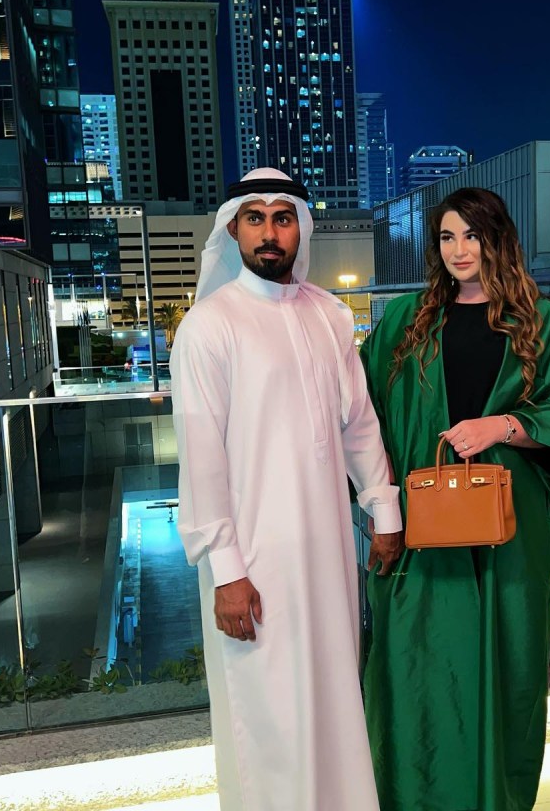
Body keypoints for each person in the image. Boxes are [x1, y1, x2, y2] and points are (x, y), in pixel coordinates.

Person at [360, 187, 550, 811]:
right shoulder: (404, 323)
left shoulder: (543, 325)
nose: (458, 251)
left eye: (472, 236)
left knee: (507, 667)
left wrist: (501, 426)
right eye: (447, 238)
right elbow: (359, 415)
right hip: (423, 528)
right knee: (414, 662)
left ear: (498, 239)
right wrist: (380, 509)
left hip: (511, 527)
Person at [171, 167, 404, 811]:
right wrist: (225, 571)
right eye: (255, 219)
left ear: (300, 227)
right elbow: (201, 459)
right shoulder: (209, 327)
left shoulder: (329, 315)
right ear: (234, 231)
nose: (270, 233)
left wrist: (383, 509)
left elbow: (358, 422)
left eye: (283, 217)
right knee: (266, 714)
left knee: (332, 698)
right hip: (254, 561)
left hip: (327, 554)